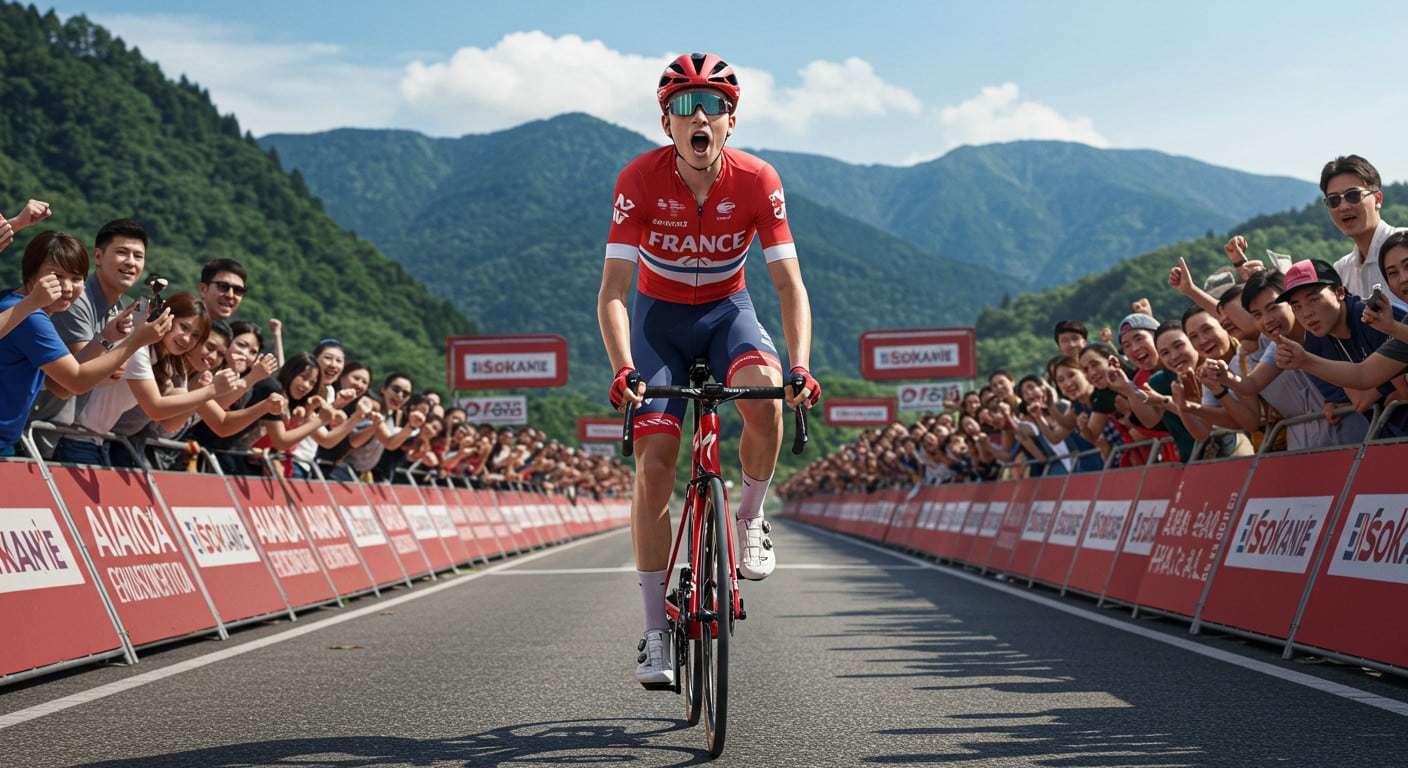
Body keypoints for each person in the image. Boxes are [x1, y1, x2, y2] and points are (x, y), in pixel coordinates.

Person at [597, 52, 818, 686]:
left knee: (765, 399)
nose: (700, 117)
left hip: (728, 314)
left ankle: (750, 515)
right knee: (654, 465)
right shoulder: (639, 180)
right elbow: (613, 292)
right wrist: (623, 367)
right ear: (666, 122)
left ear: (731, 120)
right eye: (685, 107)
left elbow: (790, 286)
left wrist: (799, 365)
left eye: (713, 106)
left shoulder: (757, 180)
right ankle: (654, 634)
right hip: (657, 324)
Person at [0, 231, 170, 456]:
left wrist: (106, 337)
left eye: (76, 278)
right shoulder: (31, 317)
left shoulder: (26, 310)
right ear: (31, 273)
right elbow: (76, 381)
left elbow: (61, 386)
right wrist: (137, 340)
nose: (67, 287)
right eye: (56, 276)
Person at [52, 293, 244, 467]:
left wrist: (202, 391)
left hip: (94, 441)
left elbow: (170, 422)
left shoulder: (168, 362)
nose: (187, 339)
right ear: (165, 318)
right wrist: (211, 391)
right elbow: (155, 408)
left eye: (195, 335)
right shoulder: (139, 348)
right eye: (184, 327)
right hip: (75, 438)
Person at [28, 218, 148, 457]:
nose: (130, 262)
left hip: (55, 432)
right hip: (31, 428)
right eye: (122, 252)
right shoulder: (74, 300)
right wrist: (130, 345)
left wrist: (108, 363)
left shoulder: (118, 309)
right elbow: (78, 378)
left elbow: (108, 371)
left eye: (138, 256)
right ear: (98, 256)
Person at [1315, 155, 1407, 310]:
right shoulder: (1342, 270)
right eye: (1334, 200)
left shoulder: (1405, 244)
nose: (1343, 207)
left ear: (1378, 199)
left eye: (1353, 195)